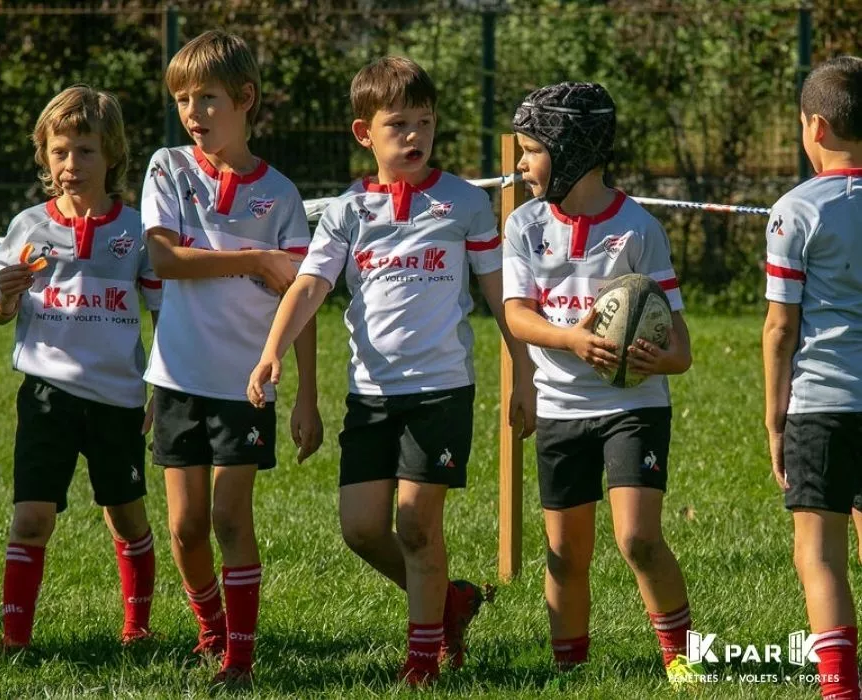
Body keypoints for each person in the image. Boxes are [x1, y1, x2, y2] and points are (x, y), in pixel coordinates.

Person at [246, 56, 536, 687]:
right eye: (398, 123)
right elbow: (307, 288)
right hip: (370, 397)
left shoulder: (464, 203)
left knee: (415, 524)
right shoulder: (348, 211)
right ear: (363, 133)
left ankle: (422, 662)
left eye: (424, 123)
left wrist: (524, 372)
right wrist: (271, 352)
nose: (414, 137)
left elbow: (499, 294)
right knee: (361, 528)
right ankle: (448, 603)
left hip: (441, 393)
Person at [502, 81, 701, 686]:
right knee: (565, 553)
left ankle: (684, 661)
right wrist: (574, 341)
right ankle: (571, 672)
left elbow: (682, 351)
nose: (520, 164)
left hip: (632, 405)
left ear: (570, 151)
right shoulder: (525, 226)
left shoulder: (639, 228)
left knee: (638, 539)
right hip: (561, 407)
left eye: (531, 150)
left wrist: (651, 359)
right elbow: (515, 314)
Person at [141, 30, 322, 687]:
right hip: (178, 379)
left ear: (245, 98)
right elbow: (163, 260)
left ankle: (239, 659)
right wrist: (256, 260)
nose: (193, 111)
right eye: (183, 99)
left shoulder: (280, 195)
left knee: (226, 518)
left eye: (208, 98)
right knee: (186, 528)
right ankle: (209, 630)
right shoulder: (167, 168)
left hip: (246, 386)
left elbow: (301, 297)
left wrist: (305, 394)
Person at [0, 85, 160, 651]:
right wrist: (6, 296)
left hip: (118, 399)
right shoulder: (28, 227)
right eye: (59, 151)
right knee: (32, 518)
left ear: (111, 155)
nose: (71, 165)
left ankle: (137, 628)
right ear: (44, 155)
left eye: (85, 151)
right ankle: (15, 641)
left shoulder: (136, 231)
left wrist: (160, 384)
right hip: (46, 397)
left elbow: (162, 312)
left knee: (127, 516)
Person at [763, 55, 862, 700]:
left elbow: (779, 328)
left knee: (819, 553)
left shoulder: (795, 210)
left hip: (821, 402)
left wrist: (775, 419)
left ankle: (839, 689)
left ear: (816, 127)